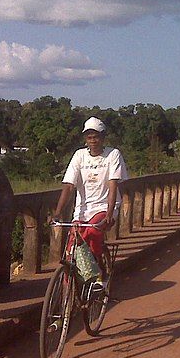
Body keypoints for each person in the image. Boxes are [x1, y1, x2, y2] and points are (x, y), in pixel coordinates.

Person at [51, 117, 129, 294]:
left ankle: (99, 275)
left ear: (103, 137)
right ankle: (67, 288)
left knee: (93, 232)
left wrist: (109, 213)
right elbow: (69, 185)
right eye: (89, 137)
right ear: (85, 139)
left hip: (104, 207)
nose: (93, 141)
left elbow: (113, 185)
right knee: (73, 244)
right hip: (82, 210)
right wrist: (57, 212)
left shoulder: (112, 154)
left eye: (96, 137)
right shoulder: (79, 156)